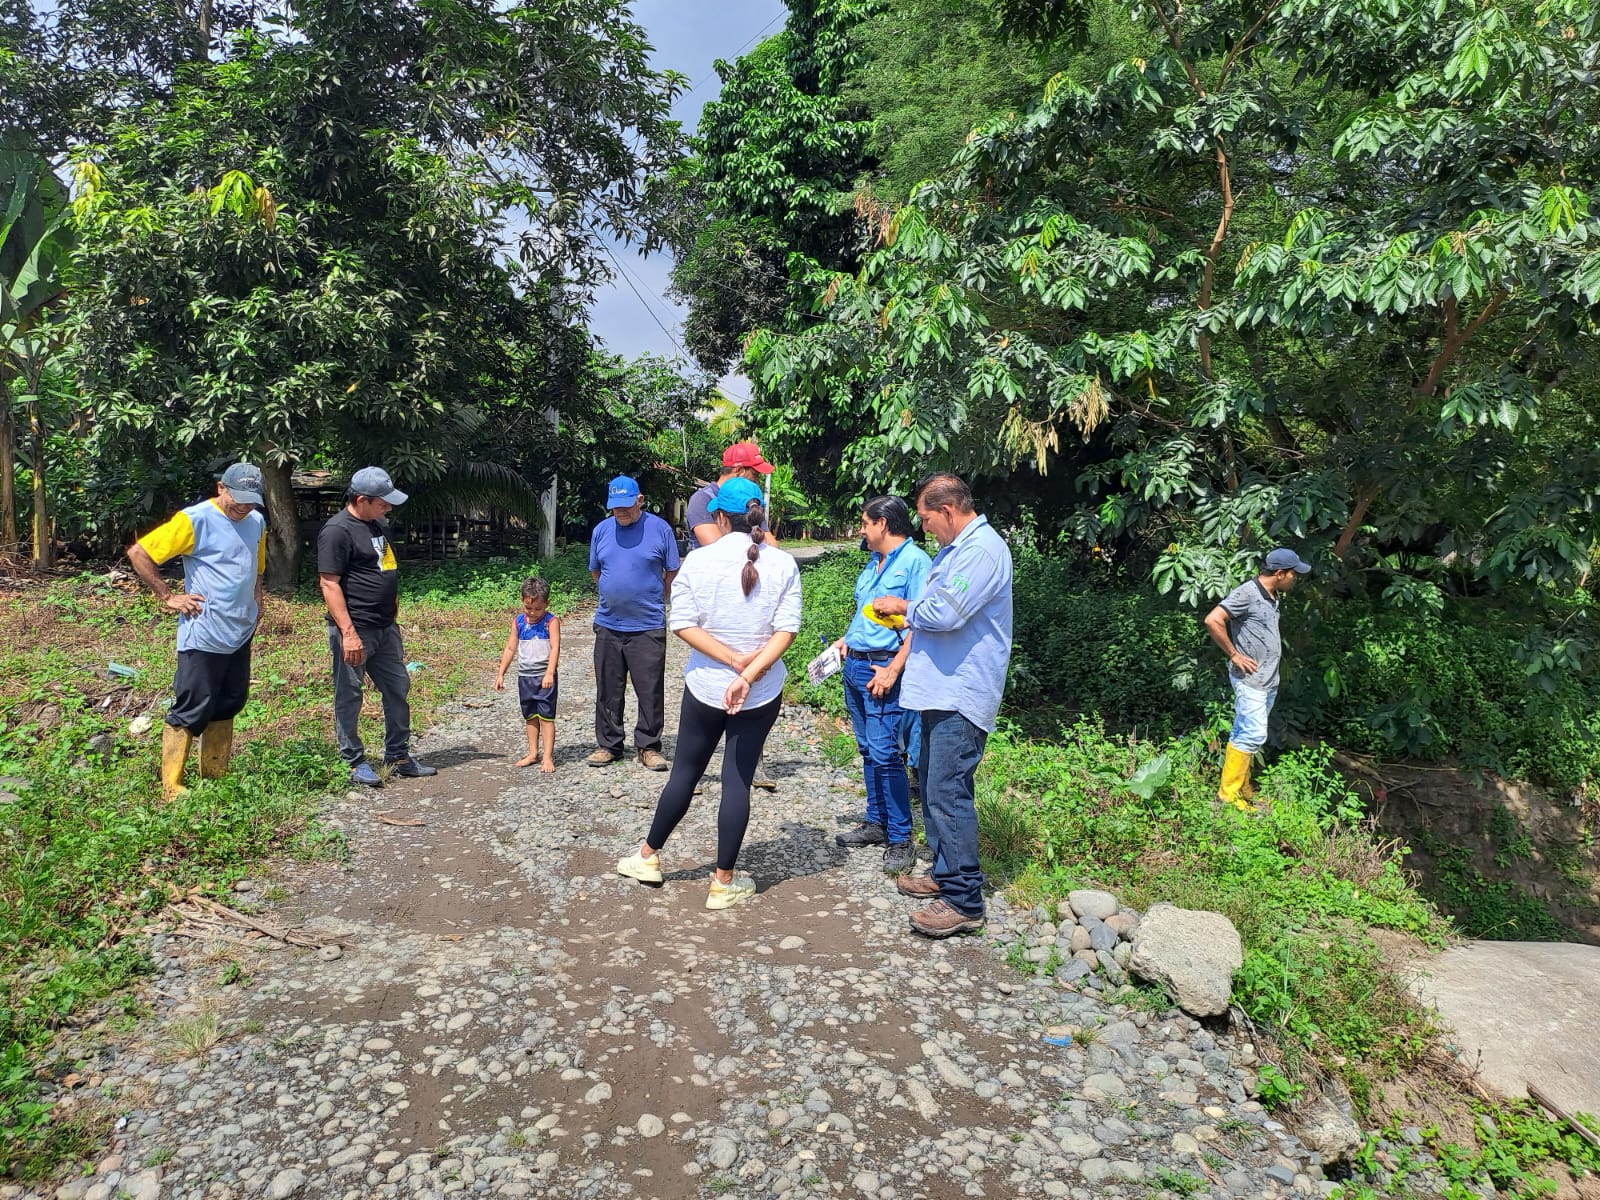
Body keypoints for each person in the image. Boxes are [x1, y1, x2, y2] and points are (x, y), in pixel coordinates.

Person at [616, 477, 801, 910]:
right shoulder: (783, 563)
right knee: (738, 781)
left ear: (719, 517)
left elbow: (682, 624)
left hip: (707, 687)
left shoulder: (698, 561)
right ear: (759, 516)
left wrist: (732, 662)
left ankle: (648, 857)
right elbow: (787, 630)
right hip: (760, 691)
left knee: (685, 773)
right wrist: (750, 671)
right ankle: (723, 882)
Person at [870, 472, 1013, 939]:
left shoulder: (982, 551)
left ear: (947, 511)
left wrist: (902, 607)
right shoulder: (955, 550)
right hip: (939, 689)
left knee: (948, 793)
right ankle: (946, 874)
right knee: (933, 787)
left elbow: (945, 613)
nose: (924, 526)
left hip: (961, 693)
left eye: (927, 518)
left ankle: (965, 901)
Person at [127, 462, 267, 799]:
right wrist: (168, 596)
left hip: (240, 628)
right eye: (239, 499)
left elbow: (256, 564)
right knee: (193, 705)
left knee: (230, 701)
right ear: (221, 488)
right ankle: (171, 785)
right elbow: (139, 552)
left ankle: (215, 775)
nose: (244, 507)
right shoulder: (195, 519)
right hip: (204, 631)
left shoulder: (256, 521)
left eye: (251, 501)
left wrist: (257, 599)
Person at [829, 496, 931, 875]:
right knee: (868, 750)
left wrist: (894, 669)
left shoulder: (917, 563)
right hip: (856, 665)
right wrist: (847, 640)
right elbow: (865, 613)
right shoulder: (875, 562)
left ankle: (901, 837)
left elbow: (922, 624)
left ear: (883, 524)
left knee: (887, 753)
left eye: (865, 523)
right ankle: (876, 821)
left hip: (883, 668)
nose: (861, 530)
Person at [317, 466, 437, 787]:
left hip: (385, 628)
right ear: (361, 500)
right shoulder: (337, 531)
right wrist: (348, 633)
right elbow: (329, 583)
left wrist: (392, 611)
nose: (388, 508)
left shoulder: (378, 525)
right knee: (349, 694)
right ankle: (354, 761)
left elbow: (387, 566)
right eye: (383, 503)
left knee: (398, 687)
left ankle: (398, 756)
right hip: (355, 629)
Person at [686, 442, 779, 791]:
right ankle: (693, 770)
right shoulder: (702, 501)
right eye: (755, 471)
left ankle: (747, 765)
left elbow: (770, 544)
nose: (758, 478)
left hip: (752, 604)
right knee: (709, 695)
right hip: (717, 608)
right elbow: (717, 545)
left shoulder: (750, 500)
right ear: (739, 470)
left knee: (753, 698)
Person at [1202, 547, 1311, 809]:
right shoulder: (1247, 593)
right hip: (1250, 680)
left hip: (1267, 681)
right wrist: (1234, 655)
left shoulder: (1272, 595)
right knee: (1252, 734)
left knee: (1243, 732)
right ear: (1279, 573)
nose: (1295, 578)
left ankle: (1242, 790)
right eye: (1293, 573)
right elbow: (1213, 619)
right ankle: (1227, 797)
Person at [588, 476, 680, 771]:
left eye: (626, 506)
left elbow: (671, 571)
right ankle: (609, 745)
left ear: (640, 500)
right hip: (608, 623)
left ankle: (649, 746)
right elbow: (596, 572)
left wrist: (654, 597)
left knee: (649, 689)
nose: (620, 512)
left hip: (648, 624)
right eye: (615, 507)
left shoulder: (660, 529)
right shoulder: (601, 531)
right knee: (608, 689)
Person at [494, 576, 561, 772]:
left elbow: (555, 647)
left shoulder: (551, 622)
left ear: (546, 603)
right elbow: (510, 648)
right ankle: (533, 753)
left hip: (544, 678)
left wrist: (549, 673)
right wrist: (501, 673)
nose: (532, 613)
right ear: (522, 601)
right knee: (530, 715)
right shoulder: (518, 622)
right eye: (528, 608)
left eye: (537, 609)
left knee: (546, 717)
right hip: (525, 677)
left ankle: (547, 757)